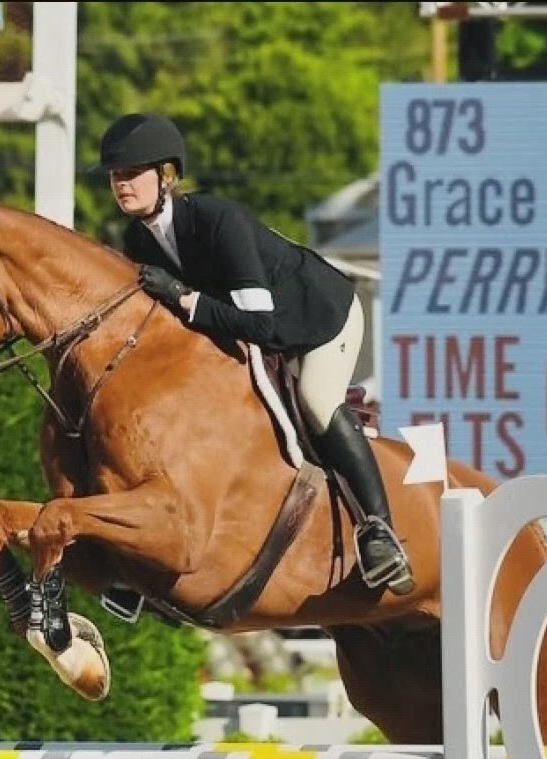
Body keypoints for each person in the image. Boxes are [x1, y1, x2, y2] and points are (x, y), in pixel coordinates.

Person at [95, 112, 414, 598]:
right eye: (116, 177)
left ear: (166, 177)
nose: (122, 186)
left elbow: (260, 326)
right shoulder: (138, 239)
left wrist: (184, 297)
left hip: (317, 319)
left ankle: (379, 531)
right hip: (246, 332)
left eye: (132, 174)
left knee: (315, 399)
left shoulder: (219, 220)